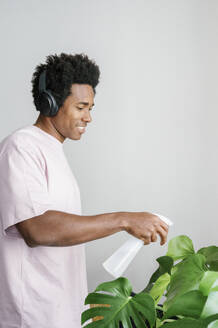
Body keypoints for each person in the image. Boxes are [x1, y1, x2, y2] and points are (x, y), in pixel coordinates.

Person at [0, 53, 169, 328]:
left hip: (61, 313)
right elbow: (37, 228)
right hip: (32, 317)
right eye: (81, 107)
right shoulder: (21, 147)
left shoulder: (53, 151)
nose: (88, 117)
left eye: (90, 108)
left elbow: (62, 237)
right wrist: (124, 220)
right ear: (50, 102)